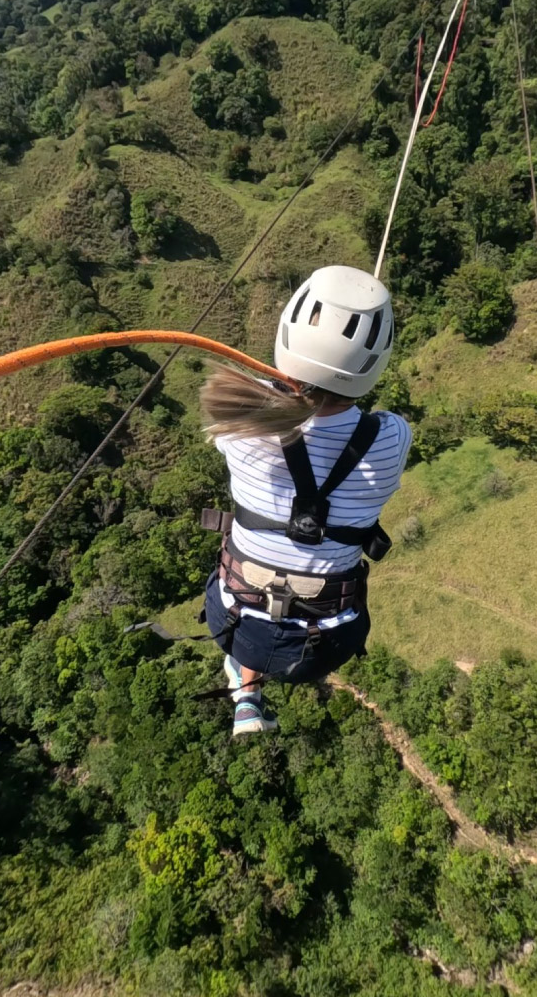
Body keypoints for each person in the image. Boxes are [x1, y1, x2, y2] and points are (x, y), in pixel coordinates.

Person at [197, 265, 411, 737]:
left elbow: (276, 403)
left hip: (230, 618)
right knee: (276, 603)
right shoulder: (392, 437)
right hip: (327, 642)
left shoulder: (239, 428)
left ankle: (246, 691)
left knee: (252, 600)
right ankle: (249, 693)